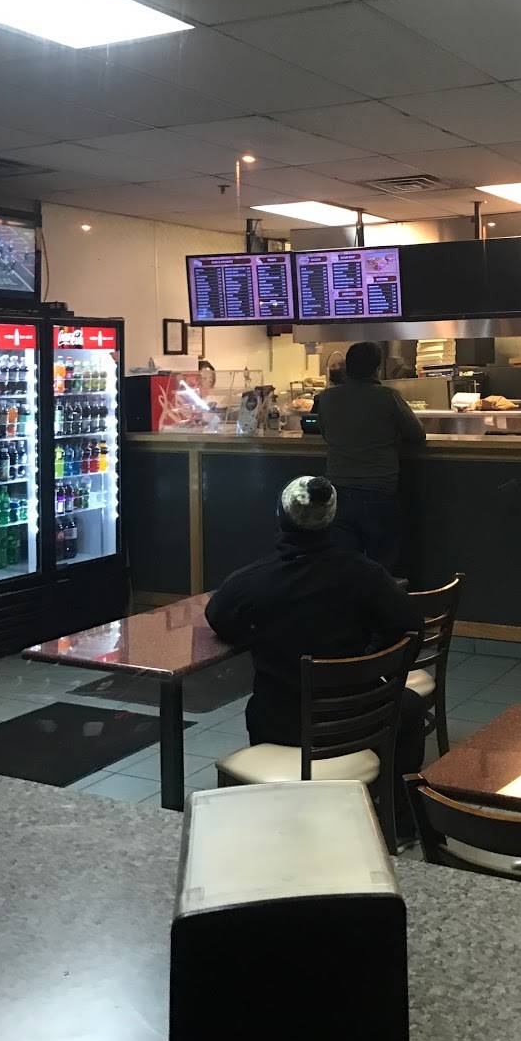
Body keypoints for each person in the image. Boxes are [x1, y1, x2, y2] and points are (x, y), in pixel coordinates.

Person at [205, 474, 427, 842]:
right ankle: (399, 819)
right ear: (333, 518)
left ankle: (279, 823)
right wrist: (372, 664)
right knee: (410, 707)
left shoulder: (252, 581)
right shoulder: (365, 574)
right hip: (359, 721)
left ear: (281, 517)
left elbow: (218, 617)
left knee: (260, 706)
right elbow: (410, 628)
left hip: (280, 724)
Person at [312, 341, 426, 570]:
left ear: (347, 368)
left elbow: (325, 433)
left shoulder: (326, 398)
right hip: (378, 490)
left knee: (344, 566)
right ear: (377, 368)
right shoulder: (388, 397)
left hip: (338, 490)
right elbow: (417, 434)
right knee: (381, 567)